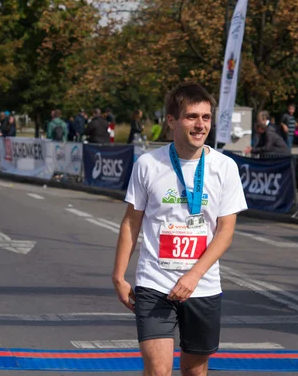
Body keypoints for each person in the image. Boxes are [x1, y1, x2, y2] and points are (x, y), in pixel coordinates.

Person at [112, 82, 247, 376]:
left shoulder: (225, 168)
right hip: (155, 282)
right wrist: (119, 275)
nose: (200, 125)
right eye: (191, 117)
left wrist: (193, 275)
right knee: (158, 369)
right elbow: (131, 221)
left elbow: (225, 231)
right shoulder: (148, 164)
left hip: (203, 286)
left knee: (194, 371)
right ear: (172, 121)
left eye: (206, 117)